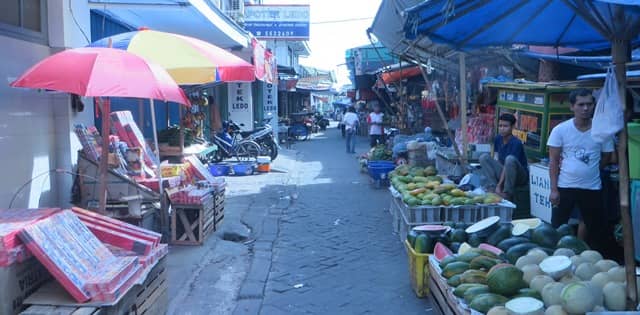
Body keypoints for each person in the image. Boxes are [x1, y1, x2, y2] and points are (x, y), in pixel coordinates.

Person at [547, 88, 614, 255]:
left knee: (595, 230)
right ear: (572, 107)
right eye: (581, 104)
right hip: (565, 187)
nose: (585, 108)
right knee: (557, 229)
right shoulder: (560, 130)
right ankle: (552, 258)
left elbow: (606, 157)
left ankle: (591, 261)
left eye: (589, 104)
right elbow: (553, 161)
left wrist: (592, 170)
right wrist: (554, 189)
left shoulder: (601, 130)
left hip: (592, 188)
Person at [479, 113, 529, 200]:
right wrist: (496, 184)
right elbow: (496, 158)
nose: (502, 129)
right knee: (484, 157)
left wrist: (500, 186)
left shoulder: (516, 143)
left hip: (519, 176)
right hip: (504, 171)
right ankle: (492, 187)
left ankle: (507, 192)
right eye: (500, 126)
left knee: (509, 159)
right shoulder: (498, 138)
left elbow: (508, 165)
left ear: (512, 127)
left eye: (505, 126)